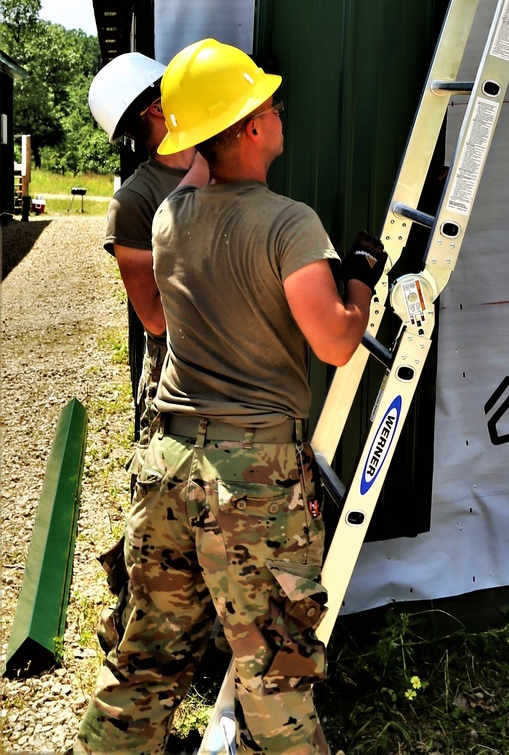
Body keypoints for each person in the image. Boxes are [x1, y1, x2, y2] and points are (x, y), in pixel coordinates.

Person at [75, 38, 388, 754]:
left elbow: (189, 176)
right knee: (272, 674)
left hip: (167, 467)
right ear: (251, 127)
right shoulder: (289, 223)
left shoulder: (165, 219)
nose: (281, 112)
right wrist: (362, 276)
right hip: (250, 483)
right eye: (270, 104)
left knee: (145, 662)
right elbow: (337, 343)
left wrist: (187, 124)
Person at [88, 52, 207, 446]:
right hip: (179, 382)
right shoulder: (133, 202)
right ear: (158, 106)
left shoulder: (229, 160)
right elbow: (155, 320)